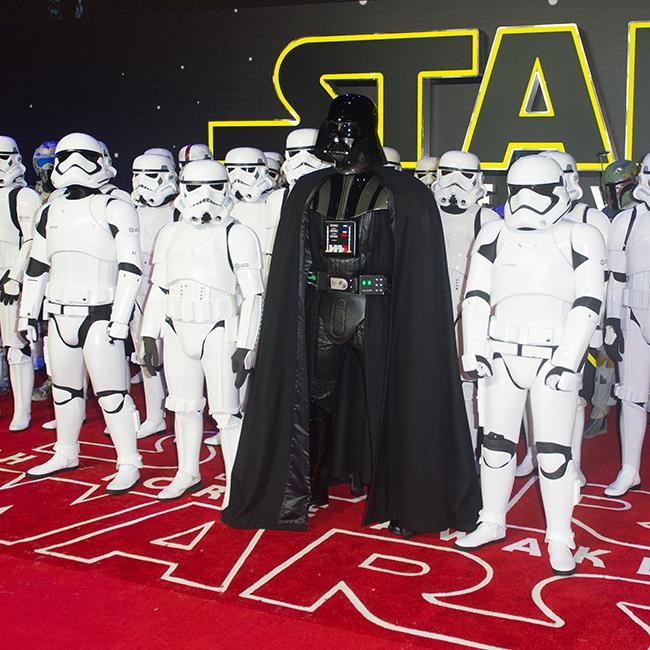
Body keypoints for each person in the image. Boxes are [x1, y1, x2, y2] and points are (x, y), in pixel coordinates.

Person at [222, 93, 480, 536]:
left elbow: (416, 270)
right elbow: (295, 259)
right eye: (334, 129)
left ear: (366, 133)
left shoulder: (406, 194)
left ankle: (404, 499)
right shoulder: (306, 190)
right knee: (314, 400)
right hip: (321, 306)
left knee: (393, 399)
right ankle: (309, 484)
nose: (339, 139)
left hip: (377, 308)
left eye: (348, 130)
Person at [456, 155, 606, 575]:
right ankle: (492, 519)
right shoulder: (493, 232)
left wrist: (568, 359)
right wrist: (475, 348)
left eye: (538, 191)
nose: (526, 201)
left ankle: (559, 535)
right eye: (517, 191)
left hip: (552, 355)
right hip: (501, 352)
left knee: (554, 454)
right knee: (495, 445)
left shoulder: (581, 235)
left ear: (560, 190)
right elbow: (476, 295)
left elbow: (589, 300)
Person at [19, 133, 143, 494]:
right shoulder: (50, 210)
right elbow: (37, 266)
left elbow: (131, 268)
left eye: (83, 156)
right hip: (59, 313)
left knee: (112, 393)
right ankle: (66, 450)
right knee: (64, 389)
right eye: (66, 156)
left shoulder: (115, 207)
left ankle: (129, 461)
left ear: (101, 161)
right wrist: (28, 313)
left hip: (100, 313)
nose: (74, 164)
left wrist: (120, 319)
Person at [141, 159, 263, 503]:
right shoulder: (170, 233)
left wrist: (246, 345)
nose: (203, 195)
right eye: (194, 187)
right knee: (184, 406)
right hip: (176, 327)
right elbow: (160, 287)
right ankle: (187, 471)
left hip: (220, 328)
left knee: (227, 412)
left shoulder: (238, 234)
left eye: (213, 186)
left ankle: (236, 484)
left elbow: (253, 294)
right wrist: (148, 334)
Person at [603, 152, 650, 497]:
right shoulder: (626, 221)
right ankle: (630, 468)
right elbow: (616, 279)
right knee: (631, 394)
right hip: (634, 314)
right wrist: (612, 322)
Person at [0, 136, 41, 430]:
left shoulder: (23, 196)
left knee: (16, 345)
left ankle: (21, 410)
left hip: (10, 278)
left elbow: (31, 240)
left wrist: (14, 276)